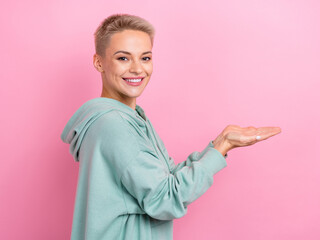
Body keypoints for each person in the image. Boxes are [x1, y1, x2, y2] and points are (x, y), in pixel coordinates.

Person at [60, 13, 281, 240]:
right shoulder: (114, 125)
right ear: (99, 63)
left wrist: (221, 143)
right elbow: (165, 198)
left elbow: (164, 181)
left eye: (145, 58)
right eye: (123, 58)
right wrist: (221, 149)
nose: (137, 69)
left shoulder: (131, 118)